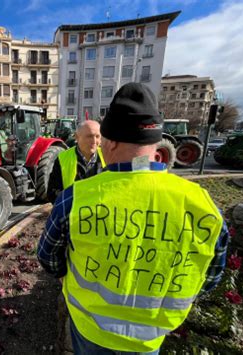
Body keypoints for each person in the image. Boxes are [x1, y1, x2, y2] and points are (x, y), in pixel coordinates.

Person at [37, 83, 229, 354]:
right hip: (150, 338)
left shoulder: (75, 198)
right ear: (155, 143)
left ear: (111, 141)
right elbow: (210, 278)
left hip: (90, 329)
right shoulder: (203, 206)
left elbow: (48, 257)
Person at [47, 120, 106, 203]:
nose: (94, 141)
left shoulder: (108, 156)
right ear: (76, 137)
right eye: (89, 136)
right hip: (73, 213)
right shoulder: (62, 158)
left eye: (97, 136)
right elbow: (53, 193)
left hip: (102, 213)